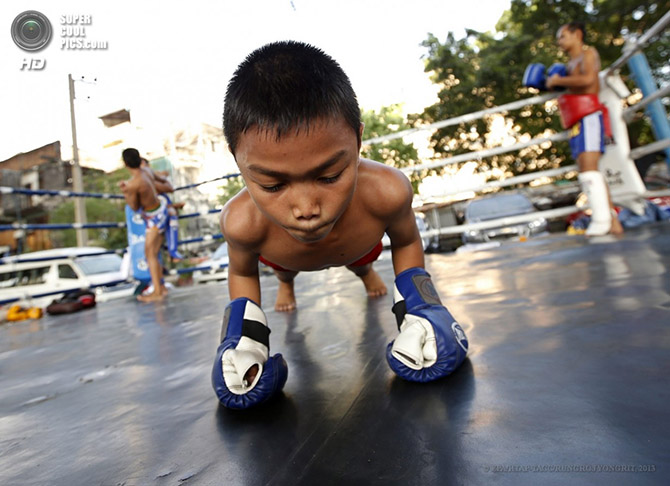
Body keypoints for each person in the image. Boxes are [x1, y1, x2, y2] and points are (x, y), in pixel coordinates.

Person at [211, 41, 469, 410]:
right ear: (238, 161)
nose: (305, 208)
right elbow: (242, 273)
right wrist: (242, 340)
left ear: (359, 140)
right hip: (285, 257)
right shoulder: (242, 223)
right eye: (273, 185)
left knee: (361, 260)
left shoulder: (386, 192)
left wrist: (423, 308)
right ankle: (288, 286)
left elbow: (407, 240)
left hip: (358, 244)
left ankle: (365, 275)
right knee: (283, 275)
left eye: (330, 175)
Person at [546, 21, 624, 236]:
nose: (559, 41)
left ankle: (602, 220)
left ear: (576, 34)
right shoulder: (570, 64)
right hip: (577, 119)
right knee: (587, 170)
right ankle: (612, 221)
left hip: (589, 115)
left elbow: (590, 80)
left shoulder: (588, 54)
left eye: (562, 36)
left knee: (589, 169)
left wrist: (559, 80)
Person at [119, 148, 168, 302]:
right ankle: (162, 288)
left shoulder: (134, 184)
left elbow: (134, 207)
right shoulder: (147, 171)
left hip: (153, 218)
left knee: (150, 255)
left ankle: (157, 292)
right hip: (161, 210)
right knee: (154, 252)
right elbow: (162, 179)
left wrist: (126, 192)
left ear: (126, 164)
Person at [140, 158, 184, 260]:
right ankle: (171, 254)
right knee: (151, 251)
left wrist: (155, 178)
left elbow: (168, 184)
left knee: (152, 251)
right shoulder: (139, 180)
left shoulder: (149, 175)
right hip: (151, 216)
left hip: (158, 214)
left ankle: (172, 254)